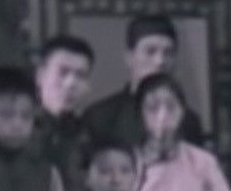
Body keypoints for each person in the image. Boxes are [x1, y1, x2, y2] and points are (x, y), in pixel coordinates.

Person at [81, 15, 207, 151]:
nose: (160, 61)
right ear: (129, 57)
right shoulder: (100, 117)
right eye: (150, 51)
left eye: (168, 53)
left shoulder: (187, 120)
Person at [131, 74, 231, 191]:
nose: (162, 117)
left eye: (170, 107)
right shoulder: (129, 162)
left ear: (182, 112)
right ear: (140, 114)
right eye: (153, 108)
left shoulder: (202, 162)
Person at [35, 34, 96, 191]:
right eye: (62, 73)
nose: (70, 84)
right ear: (40, 76)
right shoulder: (19, 131)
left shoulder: (92, 138)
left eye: (80, 76)